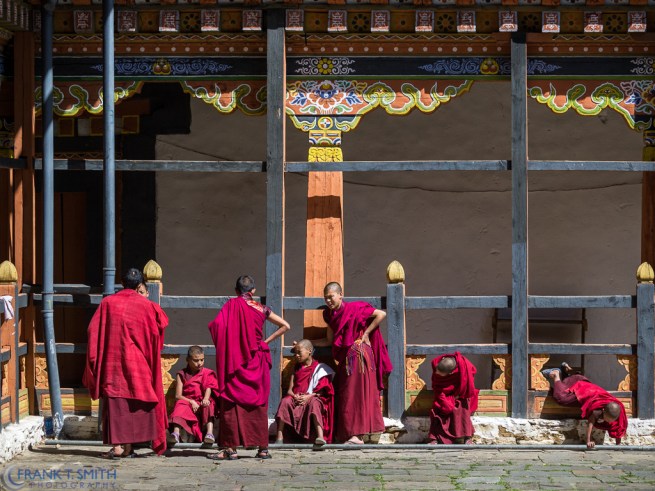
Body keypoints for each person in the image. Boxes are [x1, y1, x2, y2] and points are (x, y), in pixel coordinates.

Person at [83, 268, 169, 458]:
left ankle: (119, 446)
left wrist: (95, 360)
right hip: (139, 364)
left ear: (122, 283)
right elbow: (159, 327)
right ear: (139, 285)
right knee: (134, 403)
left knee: (117, 406)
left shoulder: (108, 303)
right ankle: (128, 446)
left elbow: (92, 331)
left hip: (113, 364)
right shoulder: (147, 306)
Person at [207, 275, 290, 460]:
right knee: (258, 403)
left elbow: (217, 326)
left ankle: (231, 449)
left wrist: (231, 345)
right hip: (256, 361)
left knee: (231, 402)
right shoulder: (261, 308)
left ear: (237, 291)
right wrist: (265, 342)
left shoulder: (230, 305)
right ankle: (263, 448)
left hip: (235, 363)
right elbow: (286, 325)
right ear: (253, 291)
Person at [313, 282, 392, 444]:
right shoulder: (330, 315)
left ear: (340, 295)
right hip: (345, 359)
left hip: (359, 356)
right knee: (347, 395)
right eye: (326, 298)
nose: (328, 301)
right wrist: (308, 343)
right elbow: (329, 340)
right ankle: (350, 434)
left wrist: (366, 333)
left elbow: (381, 314)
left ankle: (357, 436)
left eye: (331, 296)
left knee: (357, 395)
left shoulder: (355, 308)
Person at [545, 366, 627, 448]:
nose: (609, 422)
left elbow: (618, 429)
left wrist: (618, 446)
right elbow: (590, 424)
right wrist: (588, 441)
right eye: (607, 419)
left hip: (591, 389)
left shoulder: (618, 413)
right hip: (584, 391)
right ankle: (556, 375)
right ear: (603, 411)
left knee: (566, 389)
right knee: (561, 398)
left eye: (611, 420)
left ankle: (565, 372)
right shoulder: (597, 410)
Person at [275, 339, 334, 446]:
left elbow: (322, 391)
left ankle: (320, 436)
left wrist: (308, 397)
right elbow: (289, 390)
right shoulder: (296, 368)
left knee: (315, 403)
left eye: (299, 352)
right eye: (295, 353)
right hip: (296, 398)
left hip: (311, 397)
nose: (297, 355)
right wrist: (294, 396)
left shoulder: (320, 368)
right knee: (285, 401)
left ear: (309, 351)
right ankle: (279, 437)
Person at [167, 345, 218, 445]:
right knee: (180, 404)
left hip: (202, 400)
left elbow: (209, 387)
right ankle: (175, 434)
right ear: (188, 360)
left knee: (209, 404)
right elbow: (178, 396)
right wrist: (191, 402)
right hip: (188, 401)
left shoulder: (207, 373)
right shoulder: (181, 374)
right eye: (196, 360)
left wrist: (206, 399)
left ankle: (209, 433)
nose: (200, 363)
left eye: (202, 360)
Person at [428, 352, 479, 444]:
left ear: (451, 373)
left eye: (440, 373)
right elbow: (436, 384)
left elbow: (467, 382)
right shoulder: (435, 362)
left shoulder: (464, 366)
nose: (436, 373)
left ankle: (467, 437)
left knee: (462, 407)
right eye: (436, 370)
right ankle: (434, 438)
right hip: (441, 392)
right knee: (439, 408)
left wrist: (458, 395)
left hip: (459, 393)